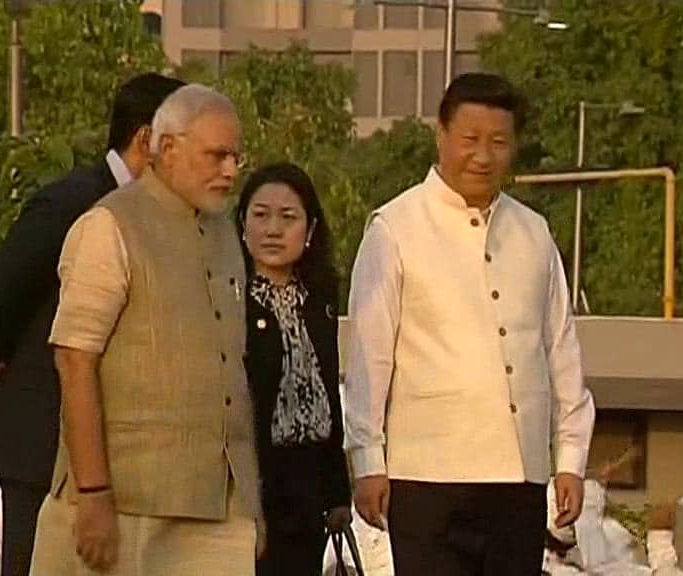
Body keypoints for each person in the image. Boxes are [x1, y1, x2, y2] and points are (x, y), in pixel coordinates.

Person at [343, 72, 596, 576]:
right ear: (441, 134)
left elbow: (559, 351)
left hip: (519, 479)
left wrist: (570, 457)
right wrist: (368, 460)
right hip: (427, 478)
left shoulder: (534, 232)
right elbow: (369, 356)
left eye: (499, 142)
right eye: (470, 139)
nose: (483, 155)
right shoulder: (395, 228)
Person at [29, 83, 262, 576]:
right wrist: (93, 494)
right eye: (217, 155)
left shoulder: (224, 233)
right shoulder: (110, 225)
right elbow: (74, 361)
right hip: (126, 504)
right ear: (168, 147)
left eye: (236, 157)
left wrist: (248, 505)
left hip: (217, 505)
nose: (230, 171)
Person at [0, 72, 184, 576]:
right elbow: (2, 293)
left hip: (115, 451)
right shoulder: (72, 201)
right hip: (40, 442)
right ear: (147, 140)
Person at [236, 163, 352, 576]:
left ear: (310, 228)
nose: (273, 229)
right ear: (242, 223)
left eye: (288, 218)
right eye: (260, 214)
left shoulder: (320, 298)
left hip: (307, 482)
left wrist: (338, 492)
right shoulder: (229, 300)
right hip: (252, 482)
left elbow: (329, 392)